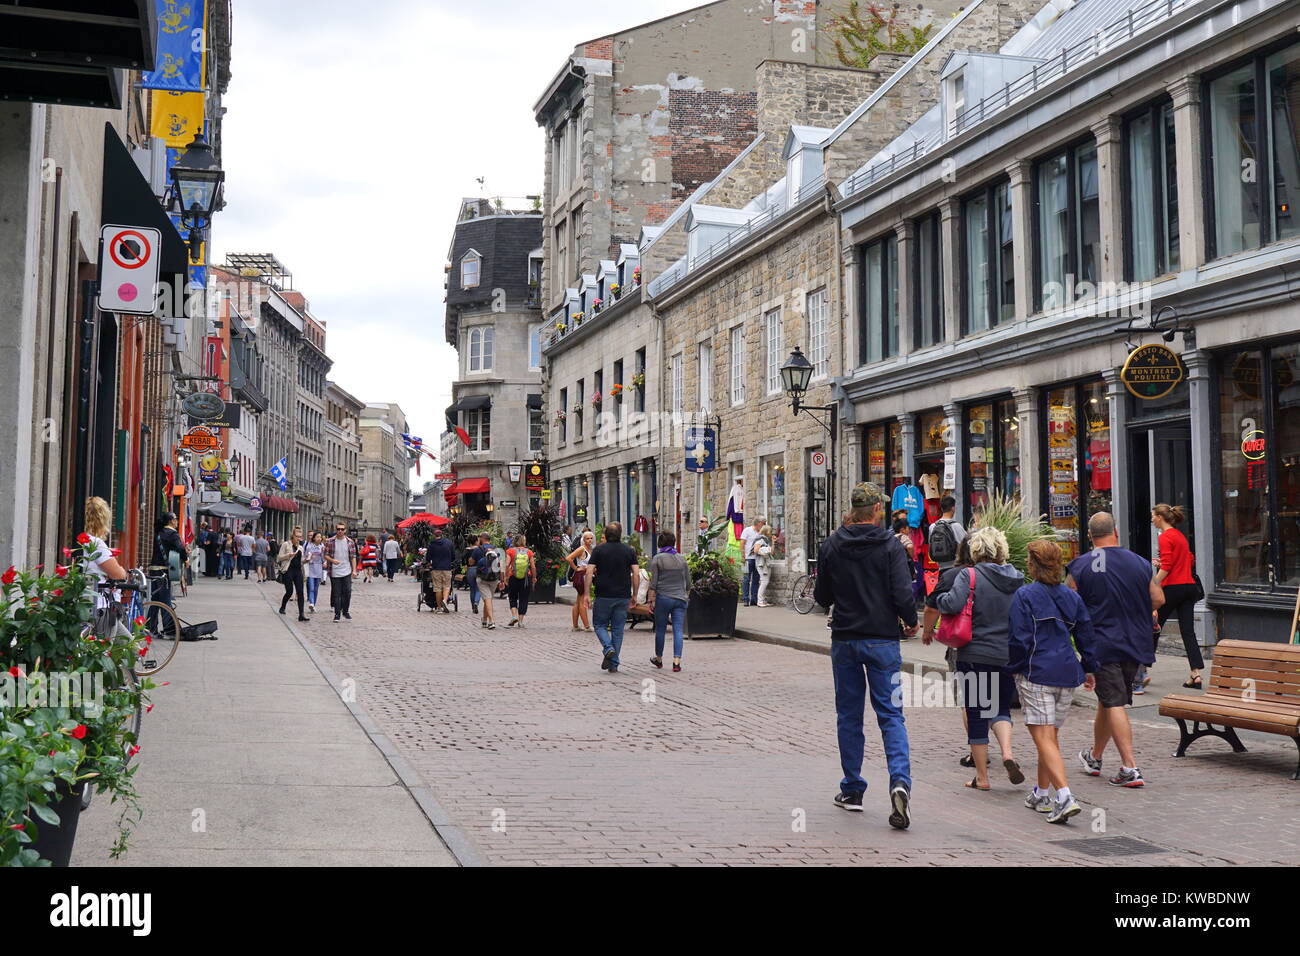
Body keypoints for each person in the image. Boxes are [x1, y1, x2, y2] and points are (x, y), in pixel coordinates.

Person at [813, 482, 917, 829]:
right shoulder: (890, 546)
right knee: (891, 715)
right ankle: (899, 782)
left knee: (849, 715)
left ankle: (853, 789)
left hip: (845, 639)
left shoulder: (831, 545)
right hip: (883, 640)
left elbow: (823, 595)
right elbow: (903, 593)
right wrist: (912, 621)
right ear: (874, 511)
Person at [1069, 512, 1164, 789]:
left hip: (1101, 643)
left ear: (1089, 536)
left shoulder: (1080, 565)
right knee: (1108, 700)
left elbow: (1068, 603)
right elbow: (1158, 598)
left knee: (1114, 703)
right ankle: (1095, 757)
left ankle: (1130, 767)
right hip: (1135, 642)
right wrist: (1137, 611)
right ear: (1116, 532)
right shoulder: (1139, 563)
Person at [1008, 540, 1097, 824]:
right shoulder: (1072, 597)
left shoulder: (1024, 595)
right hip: (1067, 672)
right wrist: (1089, 667)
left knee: (1043, 737)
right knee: (1050, 737)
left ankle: (1064, 796)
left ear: (1032, 565)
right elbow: (1086, 635)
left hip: (1037, 671)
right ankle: (1041, 792)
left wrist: (1014, 668)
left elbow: (1019, 639)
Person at [935, 526, 1025, 792]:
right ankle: (1007, 753)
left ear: (976, 550)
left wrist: (940, 597)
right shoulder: (1016, 577)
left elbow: (951, 603)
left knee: (976, 713)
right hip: (1006, 653)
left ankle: (983, 778)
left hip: (974, 653)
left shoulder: (969, 575)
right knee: (1000, 708)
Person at [1149, 503, 1202, 689]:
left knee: (1153, 627)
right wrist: (1163, 562)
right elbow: (1188, 559)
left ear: (1161, 518)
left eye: (1153, 516)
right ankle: (1196, 673)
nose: (1152, 519)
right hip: (1188, 587)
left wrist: (1153, 583)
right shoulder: (1179, 536)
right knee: (1188, 631)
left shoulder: (1165, 537)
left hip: (1172, 588)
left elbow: (1168, 566)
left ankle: (1141, 671)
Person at [588, 522, 639, 674]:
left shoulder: (598, 550)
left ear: (606, 534)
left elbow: (589, 572)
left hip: (603, 594)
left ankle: (608, 648)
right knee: (618, 630)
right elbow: (636, 573)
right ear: (620, 534)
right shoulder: (629, 550)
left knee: (599, 625)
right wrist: (635, 594)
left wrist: (586, 593)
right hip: (623, 595)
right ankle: (614, 664)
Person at [648, 531, 691, 672]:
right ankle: (676, 661)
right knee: (678, 629)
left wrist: (651, 599)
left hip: (664, 597)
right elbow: (688, 582)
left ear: (660, 543)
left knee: (660, 629)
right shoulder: (681, 558)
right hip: (680, 598)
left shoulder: (657, 559)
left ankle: (659, 659)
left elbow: (653, 583)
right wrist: (686, 594)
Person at [81, 497, 128, 609]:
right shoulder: (95, 543)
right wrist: (120, 572)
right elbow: (119, 575)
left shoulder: (83, 540)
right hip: (100, 606)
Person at [323, 522, 358, 622]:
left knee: (347, 592)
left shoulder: (350, 542)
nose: (340, 531)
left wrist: (354, 570)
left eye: (342, 529)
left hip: (346, 570)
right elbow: (325, 555)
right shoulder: (330, 541)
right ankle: (337, 614)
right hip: (335, 571)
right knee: (337, 594)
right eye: (338, 529)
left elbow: (353, 557)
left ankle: (345, 611)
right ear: (336, 530)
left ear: (345, 530)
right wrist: (333, 561)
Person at [504, 533, 537, 628]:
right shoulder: (529, 552)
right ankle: (521, 621)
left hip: (513, 577)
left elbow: (507, 565)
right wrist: (534, 577)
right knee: (524, 599)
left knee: (512, 597)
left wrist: (506, 576)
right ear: (523, 541)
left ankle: (514, 616)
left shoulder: (510, 551)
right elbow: (533, 566)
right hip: (526, 578)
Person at [277, 527, 309, 621]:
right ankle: (282, 607)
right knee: (289, 591)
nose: (299, 538)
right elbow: (279, 558)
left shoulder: (301, 547)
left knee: (300, 592)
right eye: (297, 536)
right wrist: (288, 555)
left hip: (298, 571)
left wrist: (306, 560)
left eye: (300, 537)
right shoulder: (286, 544)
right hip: (288, 570)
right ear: (293, 536)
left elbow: (301, 561)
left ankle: (301, 614)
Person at [927, 495, 967, 571]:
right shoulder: (956, 526)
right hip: (954, 568)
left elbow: (931, 544)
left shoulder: (932, 526)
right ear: (953, 508)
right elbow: (966, 545)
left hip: (940, 567)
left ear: (941, 509)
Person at [566, 530, 595, 631]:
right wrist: (576, 568)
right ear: (583, 539)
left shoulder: (590, 549)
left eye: (591, 538)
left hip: (585, 575)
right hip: (581, 576)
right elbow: (569, 558)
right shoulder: (582, 549)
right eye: (587, 538)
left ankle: (575, 625)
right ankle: (587, 626)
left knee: (578, 601)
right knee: (582, 600)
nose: (590, 540)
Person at [425, 527, 455, 613]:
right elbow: (453, 556)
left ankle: (439, 608)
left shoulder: (431, 544)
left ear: (434, 535)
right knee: (446, 586)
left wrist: (430, 562)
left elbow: (428, 558)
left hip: (436, 568)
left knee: (437, 588)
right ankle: (445, 600)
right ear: (442, 535)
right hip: (447, 568)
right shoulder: (449, 543)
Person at [474, 533, 499, 629]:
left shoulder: (478, 550)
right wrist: (502, 579)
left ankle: (491, 621)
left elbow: (472, 562)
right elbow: (501, 566)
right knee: (488, 599)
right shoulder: (496, 549)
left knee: (487, 599)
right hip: (494, 579)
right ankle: (484, 619)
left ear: (482, 539)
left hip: (482, 579)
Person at [740, 516, 764, 607]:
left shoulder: (761, 532)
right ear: (758, 523)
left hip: (758, 559)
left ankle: (754, 599)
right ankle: (746, 599)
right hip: (748, 559)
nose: (763, 525)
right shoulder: (747, 530)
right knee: (746, 579)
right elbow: (742, 543)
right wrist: (743, 556)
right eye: (763, 523)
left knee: (756, 579)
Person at [753, 523, 775, 607]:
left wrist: (773, 542)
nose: (771, 533)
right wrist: (765, 550)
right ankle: (760, 601)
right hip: (761, 563)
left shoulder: (767, 540)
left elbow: (772, 552)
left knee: (765, 581)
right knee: (764, 581)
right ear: (766, 532)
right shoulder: (760, 539)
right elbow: (755, 550)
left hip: (766, 563)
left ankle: (763, 600)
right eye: (770, 531)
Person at [304, 531, 325, 613]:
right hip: (311, 569)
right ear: (314, 538)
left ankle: (313, 604)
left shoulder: (322, 547)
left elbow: (324, 558)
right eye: (317, 537)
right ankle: (311, 603)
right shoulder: (309, 546)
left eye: (320, 537)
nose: (319, 538)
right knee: (311, 587)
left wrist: (325, 562)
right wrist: (309, 557)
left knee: (316, 588)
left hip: (319, 569)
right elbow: (305, 557)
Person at [463, 534, 482, 614]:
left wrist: (466, 567)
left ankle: (472, 607)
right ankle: (476, 603)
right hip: (478, 569)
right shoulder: (480, 549)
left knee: (472, 589)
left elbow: (463, 560)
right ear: (476, 541)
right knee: (478, 588)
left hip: (470, 569)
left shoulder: (466, 550)